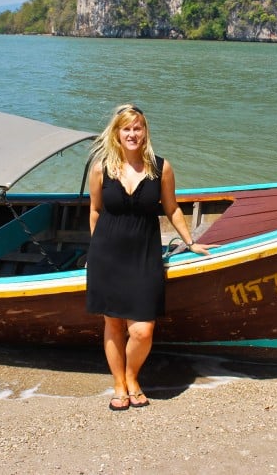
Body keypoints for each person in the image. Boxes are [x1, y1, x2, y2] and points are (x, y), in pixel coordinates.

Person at [86, 104, 211, 411]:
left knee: (142, 330)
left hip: (144, 256)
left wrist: (190, 242)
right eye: (126, 129)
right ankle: (120, 385)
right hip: (107, 256)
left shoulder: (160, 167)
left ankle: (131, 376)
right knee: (113, 324)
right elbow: (95, 210)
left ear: (145, 131)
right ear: (117, 133)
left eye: (137, 128)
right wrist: (95, 250)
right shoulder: (101, 168)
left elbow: (172, 208)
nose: (132, 134)